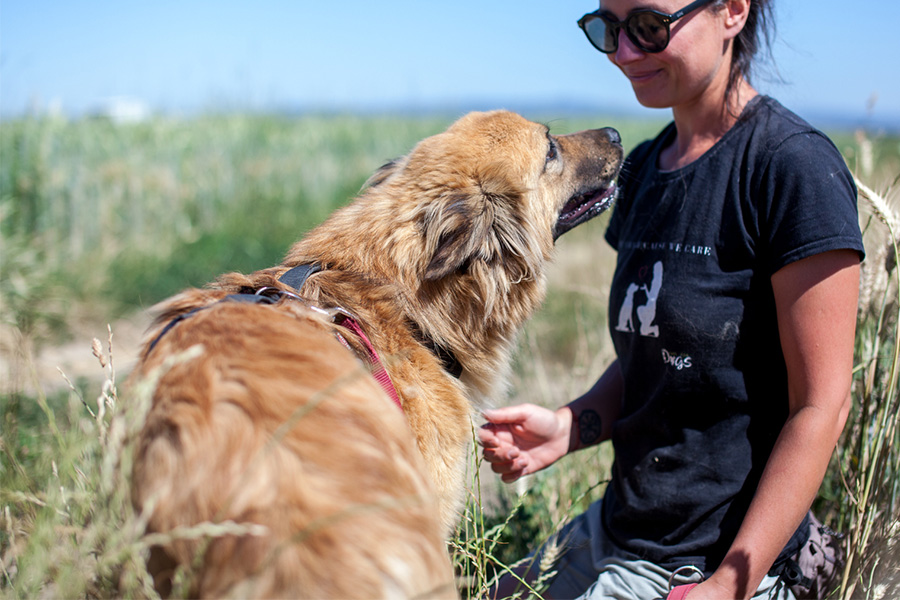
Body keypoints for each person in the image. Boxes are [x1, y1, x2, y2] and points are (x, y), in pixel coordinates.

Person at [478, 0, 865, 598]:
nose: (624, 53)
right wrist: (568, 426)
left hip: (707, 563)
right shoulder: (645, 168)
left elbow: (821, 407)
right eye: (607, 28)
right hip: (617, 530)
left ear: (732, 11)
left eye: (650, 26)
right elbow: (657, 350)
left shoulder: (791, 168)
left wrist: (732, 582)